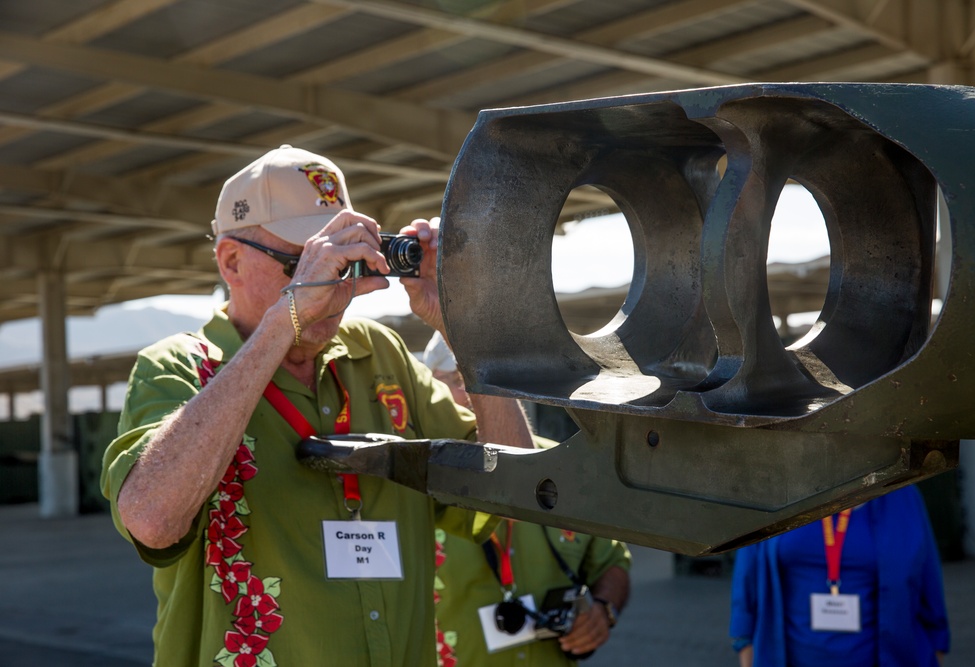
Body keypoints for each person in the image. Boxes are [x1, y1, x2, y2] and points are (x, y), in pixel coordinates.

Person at [101, 144, 534, 667]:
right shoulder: (178, 368)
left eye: (343, 261)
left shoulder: (380, 355)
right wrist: (285, 323)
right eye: (304, 264)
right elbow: (151, 519)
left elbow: (513, 491)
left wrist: (470, 328)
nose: (333, 287)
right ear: (231, 261)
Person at [423, 332, 631, 666]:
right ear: (428, 389)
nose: (472, 392)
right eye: (458, 379)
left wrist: (603, 611)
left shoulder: (563, 469)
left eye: (480, 380)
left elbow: (613, 562)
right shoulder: (419, 478)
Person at [729, 485, 950, 667]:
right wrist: (746, 650)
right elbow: (746, 586)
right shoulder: (774, 491)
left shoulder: (902, 495)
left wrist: (937, 651)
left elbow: (930, 595)